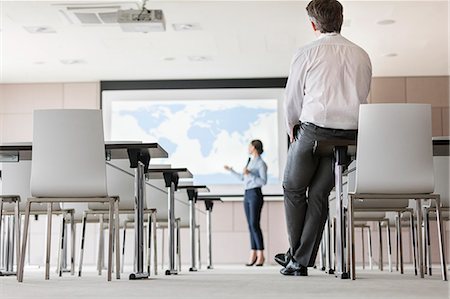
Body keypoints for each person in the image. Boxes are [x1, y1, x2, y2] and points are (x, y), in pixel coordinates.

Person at [278, 0, 372, 276]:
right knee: (319, 195)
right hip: (349, 138)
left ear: (313, 24)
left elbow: (292, 98)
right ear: (341, 19)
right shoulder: (362, 54)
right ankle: (298, 259)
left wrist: (292, 128)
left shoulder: (306, 52)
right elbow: (365, 96)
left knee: (293, 189)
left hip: (313, 132)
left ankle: (296, 257)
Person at [224, 140, 268, 266]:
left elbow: (263, 181)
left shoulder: (261, 164)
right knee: (250, 225)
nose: (248, 148)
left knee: (254, 224)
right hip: (247, 193)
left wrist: (251, 175)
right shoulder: (250, 162)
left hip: (255, 193)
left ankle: (261, 255)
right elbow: (243, 178)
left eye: (249, 146)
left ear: (254, 147)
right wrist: (231, 171)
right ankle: (253, 253)